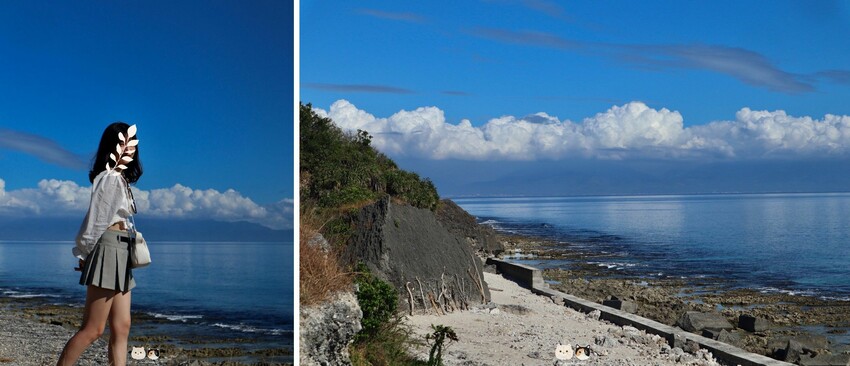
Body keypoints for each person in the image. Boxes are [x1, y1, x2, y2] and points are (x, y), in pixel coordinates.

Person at [57, 122, 142, 366]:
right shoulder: (110, 179)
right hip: (108, 249)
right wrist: (83, 253)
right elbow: (95, 221)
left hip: (121, 250)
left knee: (122, 326)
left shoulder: (119, 179)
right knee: (93, 330)